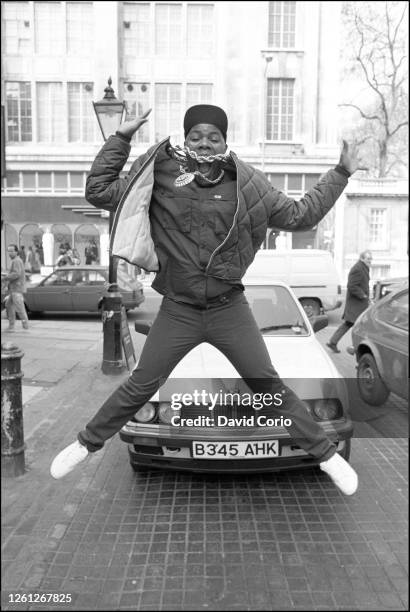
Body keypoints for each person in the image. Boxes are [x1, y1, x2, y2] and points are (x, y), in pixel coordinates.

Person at [51, 104, 364, 495]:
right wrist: (121, 137)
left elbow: (301, 216)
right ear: (185, 138)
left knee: (267, 386)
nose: (204, 141)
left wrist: (341, 172)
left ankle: (327, 457)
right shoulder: (161, 173)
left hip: (227, 307)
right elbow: (98, 190)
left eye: (213, 135)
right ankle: (85, 443)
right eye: (196, 135)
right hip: (179, 308)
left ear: (225, 140)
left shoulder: (247, 184)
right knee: (141, 385)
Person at [327, 250, 372, 353]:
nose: (370, 261)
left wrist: (367, 297)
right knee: (359, 326)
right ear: (362, 258)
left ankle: (333, 342)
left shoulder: (363, 267)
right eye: (368, 259)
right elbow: (352, 286)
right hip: (356, 305)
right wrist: (363, 295)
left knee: (349, 324)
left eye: (371, 259)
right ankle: (354, 347)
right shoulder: (358, 269)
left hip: (358, 304)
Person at [4, 244, 29, 331]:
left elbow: (16, 274)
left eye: (12, 251)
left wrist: (5, 277)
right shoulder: (16, 260)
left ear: (16, 251)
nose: (10, 253)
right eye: (9, 251)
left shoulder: (16, 261)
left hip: (17, 288)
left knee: (19, 307)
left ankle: (25, 325)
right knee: (8, 304)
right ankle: (12, 326)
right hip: (14, 288)